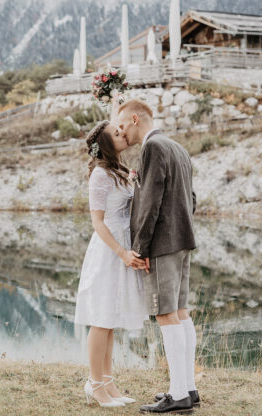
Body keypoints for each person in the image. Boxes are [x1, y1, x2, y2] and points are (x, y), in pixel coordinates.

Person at [114, 99, 199, 415]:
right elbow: (191, 198)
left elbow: (150, 203)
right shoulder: (177, 147)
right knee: (180, 312)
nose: (122, 131)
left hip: (162, 244)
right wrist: (183, 230)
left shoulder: (152, 148)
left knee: (165, 315)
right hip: (182, 240)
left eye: (122, 125)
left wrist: (140, 248)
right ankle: (188, 387)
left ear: (135, 118)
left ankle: (178, 395)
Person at [74, 120, 149, 408]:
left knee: (110, 320)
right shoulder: (100, 175)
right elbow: (97, 222)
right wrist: (121, 252)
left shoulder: (118, 171)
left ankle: (108, 381)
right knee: (101, 320)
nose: (123, 134)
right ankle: (95, 384)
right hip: (109, 250)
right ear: (105, 144)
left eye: (121, 130)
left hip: (122, 246)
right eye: (116, 134)